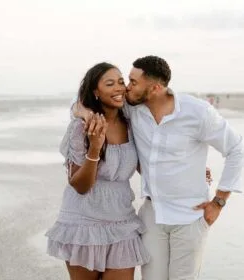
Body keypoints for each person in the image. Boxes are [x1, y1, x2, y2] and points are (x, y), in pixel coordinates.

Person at [74, 55, 244, 280]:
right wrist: (87, 114)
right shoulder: (133, 108)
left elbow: (237, 148)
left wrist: (219, 201)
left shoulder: (197, 112)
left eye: (133, 82)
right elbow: (82, 102)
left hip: (190, 216)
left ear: (155, 88)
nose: (127, 87)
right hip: (152, 216)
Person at [45, 62, 150, 280]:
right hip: (84, 224)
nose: (119, 88)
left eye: (121, 82)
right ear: (96, 91)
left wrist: (192, 170)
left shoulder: (132, 122)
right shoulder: (80, 127)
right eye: (109, 84)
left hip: (122, 222)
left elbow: (153, 159)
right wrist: (94, 146)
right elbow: (80, 185)